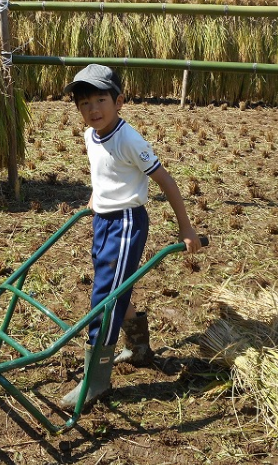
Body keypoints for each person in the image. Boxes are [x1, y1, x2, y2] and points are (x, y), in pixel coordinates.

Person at [60, 64, 202, 410]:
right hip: (103, 220)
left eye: (100, 100)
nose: (92, 109)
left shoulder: (128, 138)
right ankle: (139, 348)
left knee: (105, 298)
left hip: (126, 224)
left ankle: (96, 381)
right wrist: (97, 197)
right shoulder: (90, 135)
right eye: (84, 103)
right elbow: (102, 171)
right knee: (115, 287)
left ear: (119, 101)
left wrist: (186, 227)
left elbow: (166, 182)